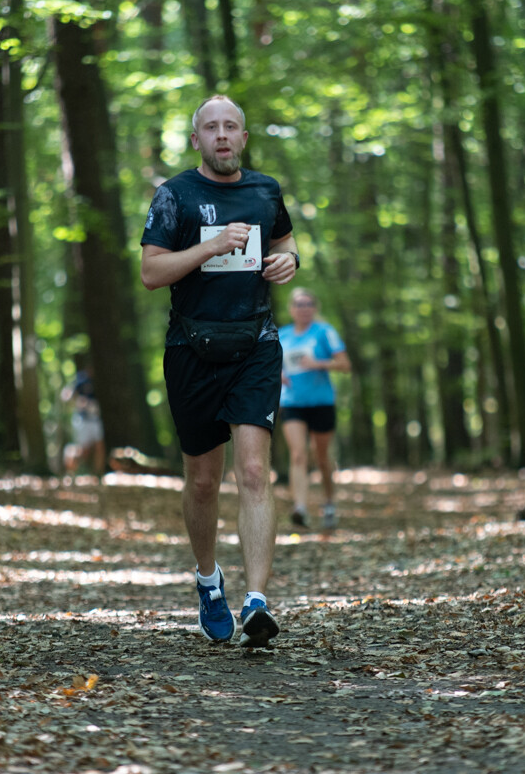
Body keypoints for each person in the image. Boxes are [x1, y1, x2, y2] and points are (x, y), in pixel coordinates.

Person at [140, 94, 300, 648]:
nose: (223, 135)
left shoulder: (265, 190)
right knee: (204, 480)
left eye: (232, 125)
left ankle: (257, 602)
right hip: (191, 346)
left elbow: (284, 240)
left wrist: (289, 260)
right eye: (211, 128)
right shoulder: (175, 196)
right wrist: (208, 247)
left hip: (257, 342)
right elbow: (151, 271)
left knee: (254, 472)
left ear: (244, 136)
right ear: (196, 141)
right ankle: (209, 581)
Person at [279, 287, 350, 529]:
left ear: (315, 308)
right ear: (291, 309)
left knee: (321, 457)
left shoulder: (324, 332)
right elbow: (269, 365)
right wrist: (277, 374)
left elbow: (344, 364)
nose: (304, 309)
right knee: (298, 454)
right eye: (299, 304)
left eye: (308, 304)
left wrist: (317, 363)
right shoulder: (282, 335)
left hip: (321, 401)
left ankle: (329, 502)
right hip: (291, 402)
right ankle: (300, 507)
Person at [61, 361, 105, 476]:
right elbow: (66, 395)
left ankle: (98, 474)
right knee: (83, 450)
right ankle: (70, 468)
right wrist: (81, 403)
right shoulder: (81, 379)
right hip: (83, 419)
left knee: (99, 445)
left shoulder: (99, 379)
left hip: (95, 419)